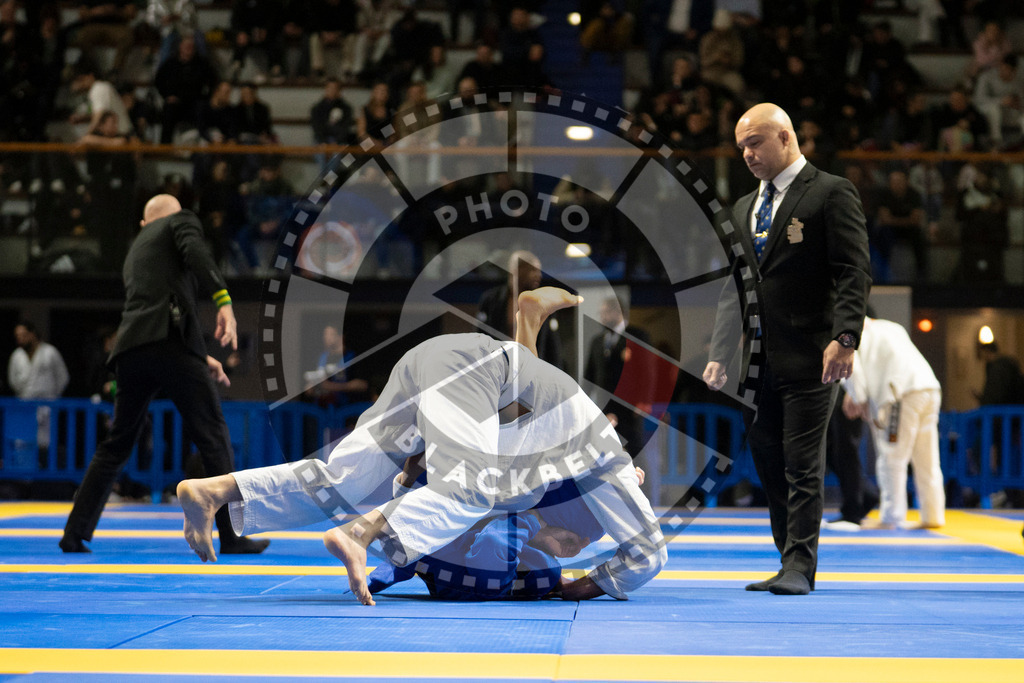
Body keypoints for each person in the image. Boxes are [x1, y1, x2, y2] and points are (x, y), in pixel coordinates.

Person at [177, 287, 666, 606]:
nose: (574, 548)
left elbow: (492, 432)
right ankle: (358, 534)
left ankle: (214, 490)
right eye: (577, 543)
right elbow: (648, 554)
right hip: (470, 369)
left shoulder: (549, 464)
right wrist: (580, 586)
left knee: (343, 480)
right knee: (472, 489)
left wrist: (415, 470)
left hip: (435, 364)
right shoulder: (602, 459)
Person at [704, 103, 871, 595]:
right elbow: (734, 289)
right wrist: (720, 352)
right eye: (741, 147)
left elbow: (853, 272)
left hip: (812, 355)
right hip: (757, 364)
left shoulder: (830, 193)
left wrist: (845, 337)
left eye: (754, 143)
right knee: (769, 464)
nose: (747, 154)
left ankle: (801, 565)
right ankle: (786, 559)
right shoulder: (743, 208)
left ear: (784, 137)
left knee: (802, 463)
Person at [59, 194, 269, 557]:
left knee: (117, 443)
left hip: (131, 350)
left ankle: (74, 533)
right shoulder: (179, 221)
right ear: (172, 216)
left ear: (145, 223)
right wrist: (223, 301)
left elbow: (153, 308)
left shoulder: (135, 251)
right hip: (171, 344)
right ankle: (231, 536)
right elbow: (197, 255)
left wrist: (199, 356)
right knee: (213, 435)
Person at [841, 317, 945, 529]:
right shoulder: (890, 327)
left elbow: (852, 370)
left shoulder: (847, 335)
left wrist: (857, 398)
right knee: (927, 457)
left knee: (892, 456)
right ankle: (933, 516)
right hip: (929, 387)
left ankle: (891, 517)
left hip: (900, 393)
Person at [584, 296, 653, 457]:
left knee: (634, 449)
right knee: (604, 450)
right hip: (604, 405)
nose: (602, 317)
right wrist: (582, 403)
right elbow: (589, 377)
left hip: (630, 407)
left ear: (618, 312)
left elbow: (647, 372)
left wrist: (644, 400)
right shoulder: (597, 341)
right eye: (601, 313)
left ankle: (639, 474)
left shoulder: (638, 336)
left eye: (606, 312)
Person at [477, 250, 562, 370]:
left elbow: (553, 347)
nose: (539, 275)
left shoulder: (543, 304)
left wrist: (555, 375)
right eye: (533, 270)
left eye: (539, 271)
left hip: (532, 371)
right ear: (516, 271)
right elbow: (479, 338)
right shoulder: (491, 300)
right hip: (499, 370)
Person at [7, 320, 69, 450]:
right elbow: (12, 380)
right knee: (23, 443)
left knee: (46, 445)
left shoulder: (50, 352)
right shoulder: (16, 355)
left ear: (32, 334)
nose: (20, 339)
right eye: (17, 336)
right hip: (24, 404)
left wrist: (52, 397)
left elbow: (63, 377)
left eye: (23, 335)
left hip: (47, 405)